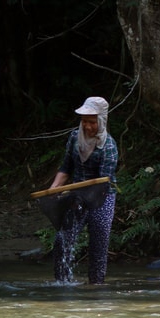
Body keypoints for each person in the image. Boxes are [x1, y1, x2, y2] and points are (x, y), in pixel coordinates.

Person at [48, 96, 118, 284]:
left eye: (92, 122)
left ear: (101, 121)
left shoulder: (109, 146)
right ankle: (61, 283)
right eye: (84, 121)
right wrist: (54, 189)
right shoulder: (73, 138)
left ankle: (96, 286)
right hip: (77, 194)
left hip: (102, 197)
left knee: (98, 245)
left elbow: (102, 182)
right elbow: (66, 168)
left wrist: (81, 193)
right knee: (62, 240)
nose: (87, 126)